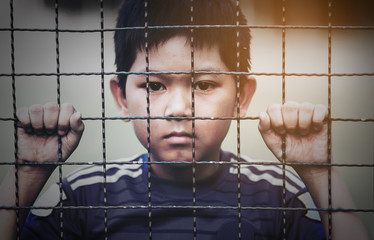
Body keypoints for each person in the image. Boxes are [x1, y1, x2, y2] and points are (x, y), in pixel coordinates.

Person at [0, 0, 370, 239]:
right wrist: (28, 173)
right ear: (121, 98)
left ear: (242, 96)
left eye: (205, 84)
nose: (179, 108)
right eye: (154, 85)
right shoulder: (84, 196)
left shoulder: (278, 197)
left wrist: (319, 172)